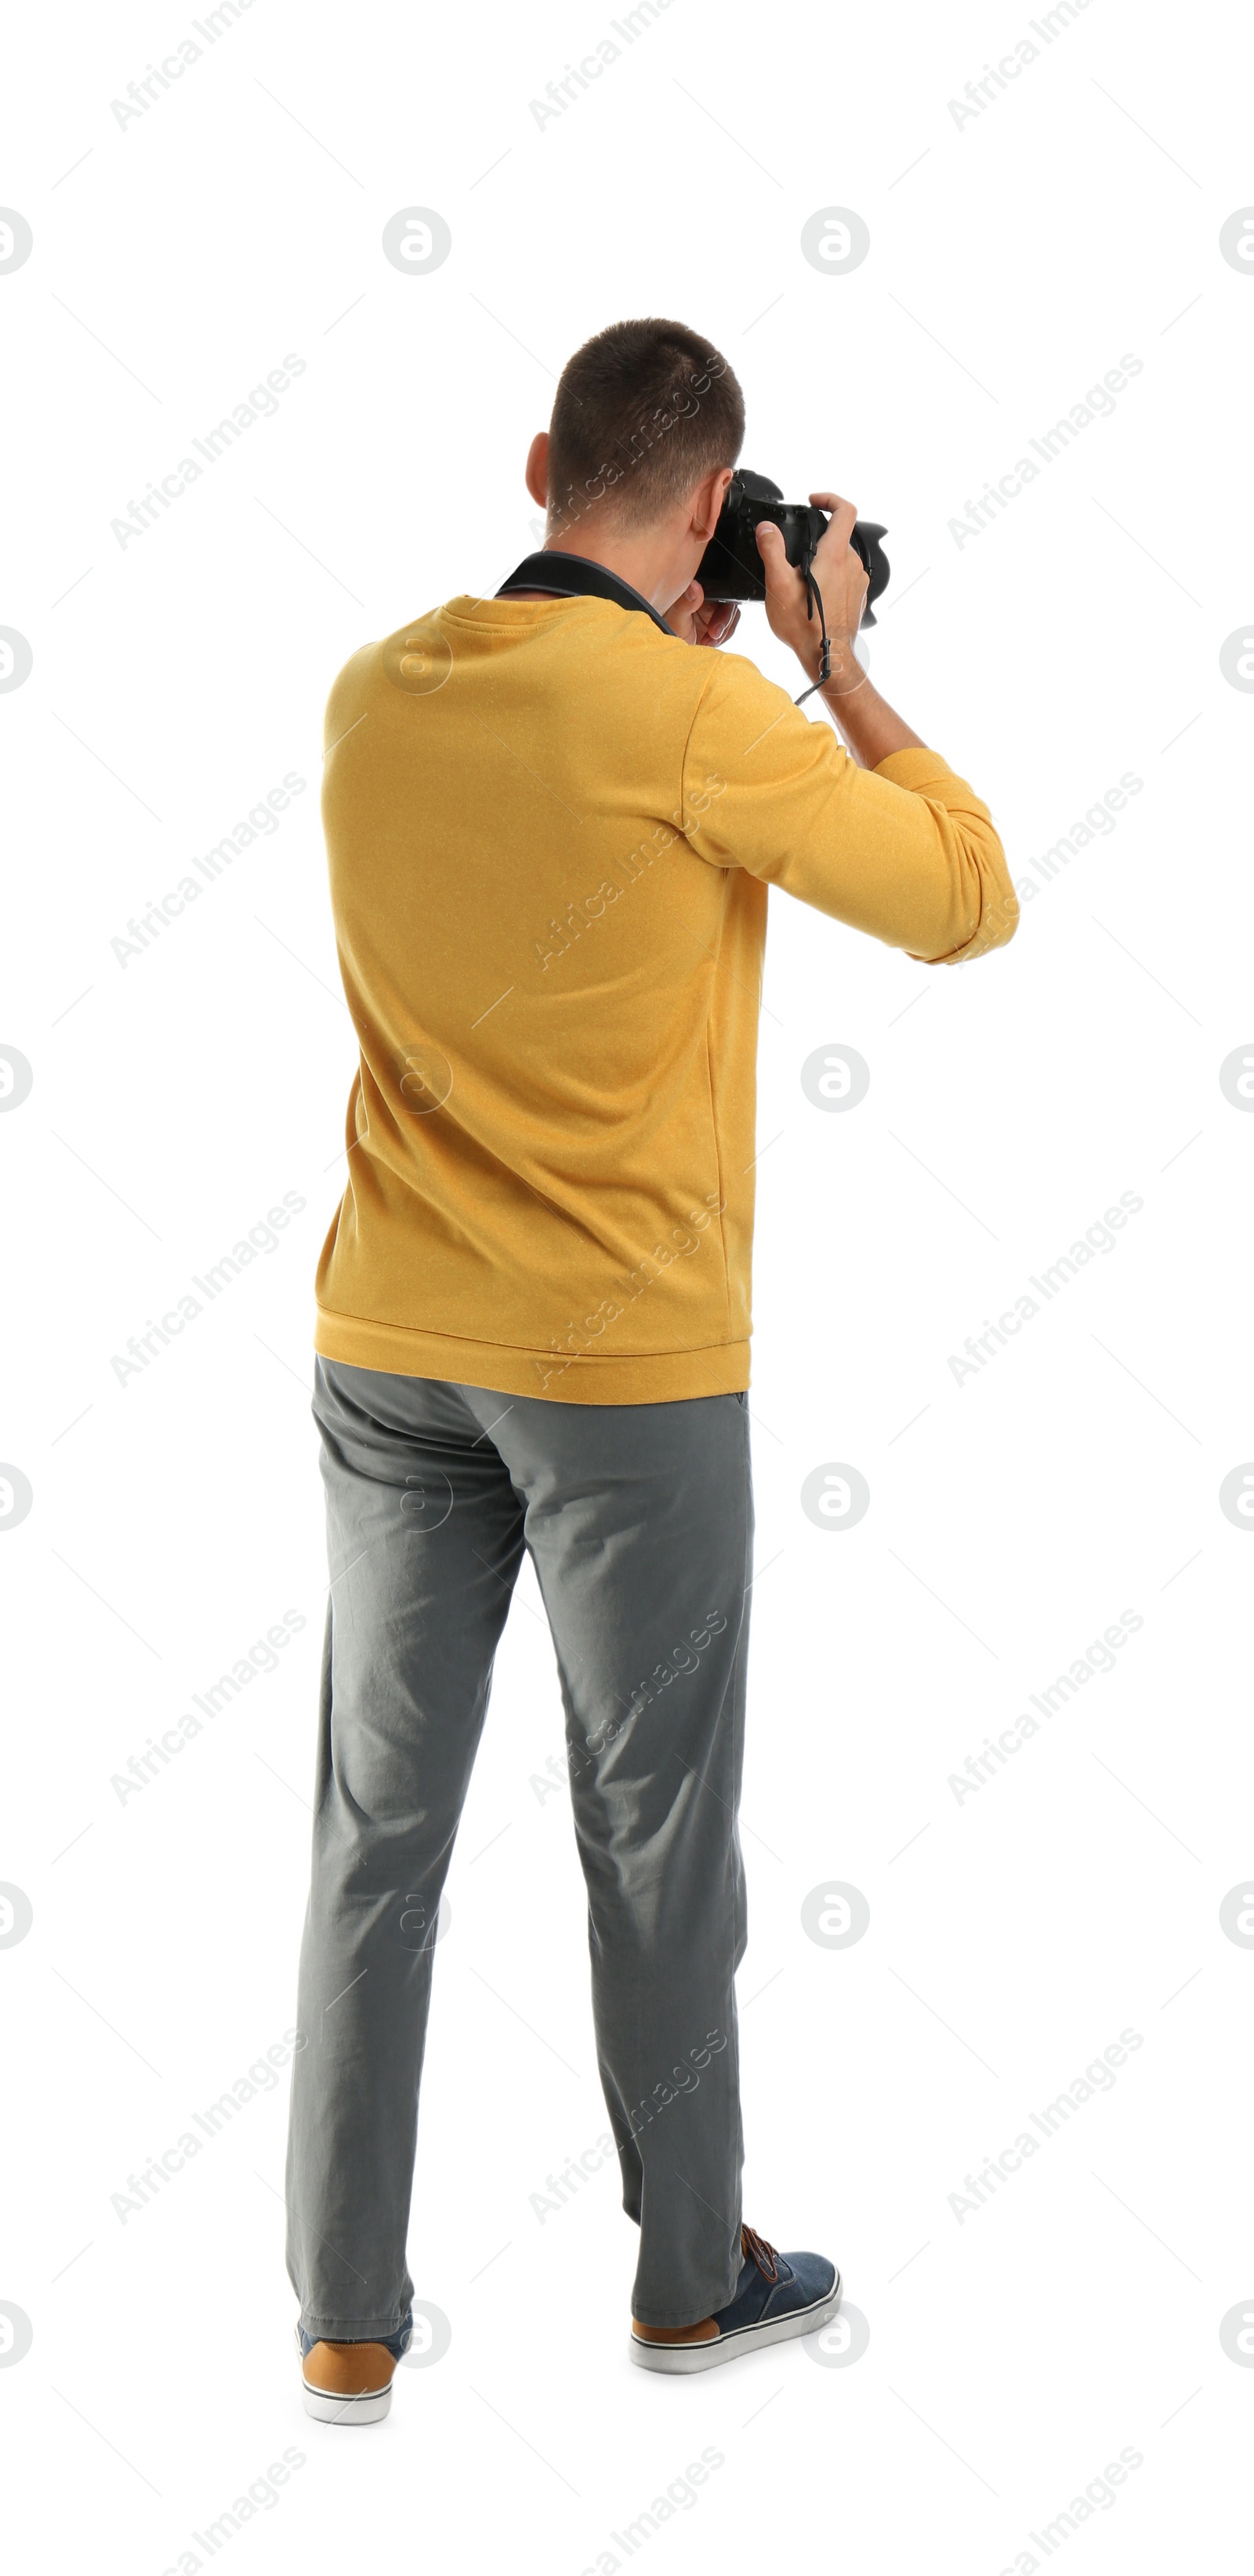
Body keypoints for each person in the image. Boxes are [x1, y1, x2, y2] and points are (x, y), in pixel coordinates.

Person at [285, 317, 1018, 2422]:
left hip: (387, 1345)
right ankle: (690, 2280)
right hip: (624, 1375)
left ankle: (345, 2315)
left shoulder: (374, 688)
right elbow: (967, 897)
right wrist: (835, 656)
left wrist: (700, 634)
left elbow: (550, 760)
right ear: (720, 512)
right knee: (654, 1837)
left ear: (539, 465)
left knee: (373, 1837)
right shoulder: (708, 717)